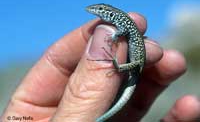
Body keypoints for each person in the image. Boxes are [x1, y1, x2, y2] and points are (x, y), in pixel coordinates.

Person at [1, 13, 198, 122]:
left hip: (135, 62)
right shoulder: (120, 21)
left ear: (107, 13)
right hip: (134, 58)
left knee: (135, 67)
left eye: (98, 11)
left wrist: (114, 44)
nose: (95, 12)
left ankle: (118, 68)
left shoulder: (122, 22)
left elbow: (124, 31)